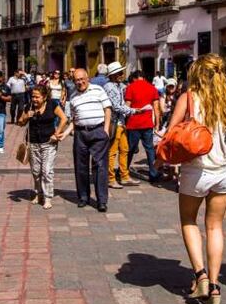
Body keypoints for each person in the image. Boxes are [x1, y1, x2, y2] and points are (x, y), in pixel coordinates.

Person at [163, 54, 226, 304]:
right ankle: (215, 286)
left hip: (196, 170)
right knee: (215, 226)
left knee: (188, 221)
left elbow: (171, 133)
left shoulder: (189, 98)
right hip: (224, 172)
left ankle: (200, 275)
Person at [56, 68, 111, 211]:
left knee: (100, 166)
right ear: (73, 81)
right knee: (81, 167)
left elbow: (107, 109)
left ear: (88, 78)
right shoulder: (73, 96)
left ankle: (101, 201)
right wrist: (65, 133)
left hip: (98, 131)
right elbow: (74, 120)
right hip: (81, 133)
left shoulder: (98, 90)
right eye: (77, 80)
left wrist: (105, 130)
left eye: (82, 79)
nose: (80, 82)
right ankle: (83, 197)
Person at [19, 84, 69, 209]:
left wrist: (57, 133)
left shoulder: (52, 105)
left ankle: (47, 197)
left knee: (46, 171)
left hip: (49, 143)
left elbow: (64, 119)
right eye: (33, 97)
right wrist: (26, 116)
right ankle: (38, 194)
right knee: (36, 171)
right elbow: (20, 122)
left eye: (37, 97)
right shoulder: (29, 106)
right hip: (33, 143)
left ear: (45, 97)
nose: (34, 100)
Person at [103, 61, 141, 189]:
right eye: (119, 72)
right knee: (112, 151)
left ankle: (124, 176)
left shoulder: (119, 86)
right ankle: (110, 178)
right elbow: (116, 107)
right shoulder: (109, 87)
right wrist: (134, 111)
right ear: (113, 75)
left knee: (124, 149)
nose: (122, 74)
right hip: (114, 122)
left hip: (121, 122)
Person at [125, 70, 161, 183]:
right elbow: (156, 108)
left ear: (135, 78)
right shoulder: (152, 88)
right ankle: (153, 173)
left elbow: (127, 107)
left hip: (133, 123)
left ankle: (124, 171)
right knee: (150, 149)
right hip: (147, 123)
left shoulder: (130, 87)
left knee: (130, 149)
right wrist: (157, 124)